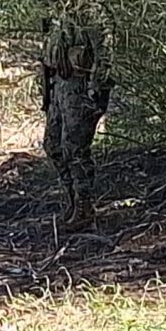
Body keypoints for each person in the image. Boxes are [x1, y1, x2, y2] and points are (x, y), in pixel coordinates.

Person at [40, 15, 113, 228]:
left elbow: (104, 53)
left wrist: (96, 89)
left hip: (80, 88)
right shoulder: (57, 13)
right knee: (53, 146)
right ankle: (72, 201)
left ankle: (85, 206)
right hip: (59, 87)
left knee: (75, 149)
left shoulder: (89, 12)